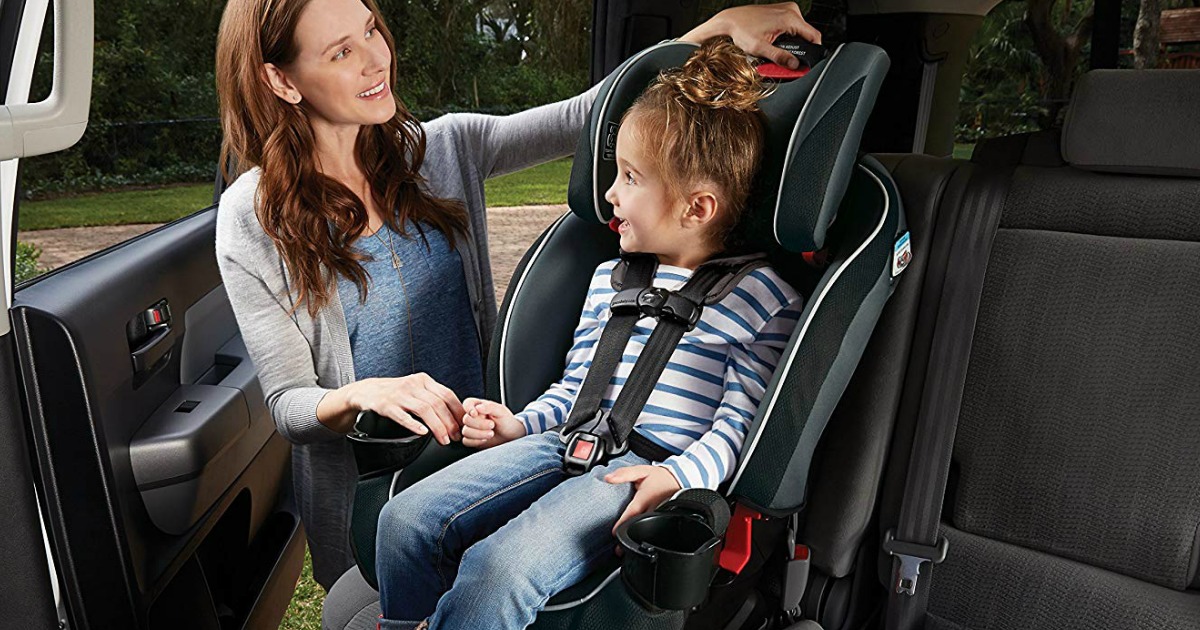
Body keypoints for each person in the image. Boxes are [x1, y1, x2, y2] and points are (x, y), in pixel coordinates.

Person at [213, 0, 820, 590]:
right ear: (281, 80)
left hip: (485, 444)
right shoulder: (252, 216)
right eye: (342, 51)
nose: (376, 60)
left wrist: (713, 31)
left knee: (495, 577)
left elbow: (591, 112)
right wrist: (359, 393)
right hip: (368, 483)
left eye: (372, 31)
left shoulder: (444, 150)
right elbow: (290, 404)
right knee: (371, 583)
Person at [374, 38, 807, 630]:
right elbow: (577, 390)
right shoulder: (611, 278)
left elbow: (739, 429)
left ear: (697, 208)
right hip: (564, 441)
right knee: (403, 521)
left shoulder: (762, 298)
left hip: (641, 471)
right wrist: (520, 424)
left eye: (631, 178)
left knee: (498, 569)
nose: (610, 193)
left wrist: (678, 478)